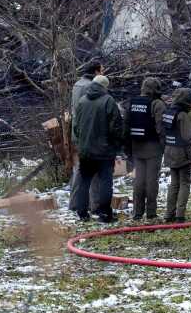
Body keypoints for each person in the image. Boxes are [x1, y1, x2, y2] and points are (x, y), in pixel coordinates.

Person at [71, 74, 125, 222]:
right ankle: (104, 213)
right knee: (105, 183)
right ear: (104, 87)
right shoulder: (108, 101)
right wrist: (116, 145)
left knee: (84, 181)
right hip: (104, 152)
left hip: (85, 151)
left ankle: (82, 212)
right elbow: (116, 127)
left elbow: (75, 127)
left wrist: (82, 143)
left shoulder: (82, 101)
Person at [126, 77, 166, 220]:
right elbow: (161, 127)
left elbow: (126, 125)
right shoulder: (157, 104)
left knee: (138, 181)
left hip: (136, 147)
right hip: (153, 148)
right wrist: (164, 146)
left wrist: (127, 149)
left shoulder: (132, 102)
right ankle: (151, 213)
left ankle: (137, 212)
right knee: (151, 181)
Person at [68, 61, 103, 213]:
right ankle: (95, 205)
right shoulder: (91, 87)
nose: (103, 73)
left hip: (78, 133)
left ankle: (75, 203)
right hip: (89, 134)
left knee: (80, 169)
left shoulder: (77, 84)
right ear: (96, 72)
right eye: (102, 70)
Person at [163, 88, 191, 223]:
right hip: (181, 152)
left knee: (174, 184)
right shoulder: (183, 115)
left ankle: (168, 214)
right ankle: (180, 214)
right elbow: (188, 135)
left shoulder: (168, 112)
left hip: (169, 150)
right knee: (184, 182)